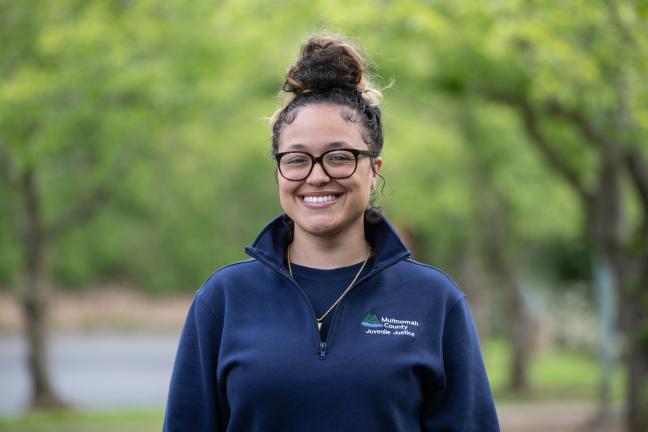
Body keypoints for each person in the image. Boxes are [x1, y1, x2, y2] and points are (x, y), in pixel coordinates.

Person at [163, 32, 500, 432]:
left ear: (373, 171)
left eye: (339, 157)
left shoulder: (434, 301)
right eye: (297, 159)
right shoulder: (223, 300)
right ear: (278, 171)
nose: (317, 176)